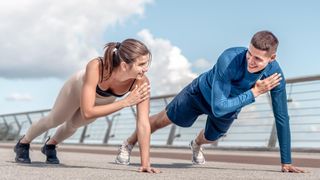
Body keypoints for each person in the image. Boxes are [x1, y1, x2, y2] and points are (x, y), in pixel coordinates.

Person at [115, 31, 305, 173]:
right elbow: (218, 106)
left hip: (230, 105)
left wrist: (286, 161)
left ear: (272, 59)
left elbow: (282, 117)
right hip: (199, 94)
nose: (250, 60)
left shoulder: (275, 75)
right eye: (249, 53)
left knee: (212, 137)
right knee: (162, 120)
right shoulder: (229, 58)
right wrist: (255, 92)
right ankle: (128, 143)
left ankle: (196, 144)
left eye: (258, 58)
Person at [14, 39, 160, 173]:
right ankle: (23, 143)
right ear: (124, 65)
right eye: (141, 64)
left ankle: (50, 145)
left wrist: (145, 163)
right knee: (55, 119)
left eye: (147, 63)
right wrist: (126, 102)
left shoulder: (141, 82)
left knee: (73, 124)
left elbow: (143, 123)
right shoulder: (97, 66)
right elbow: (88, 112)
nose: (146, 68)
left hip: (104, 100)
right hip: (76, 88)